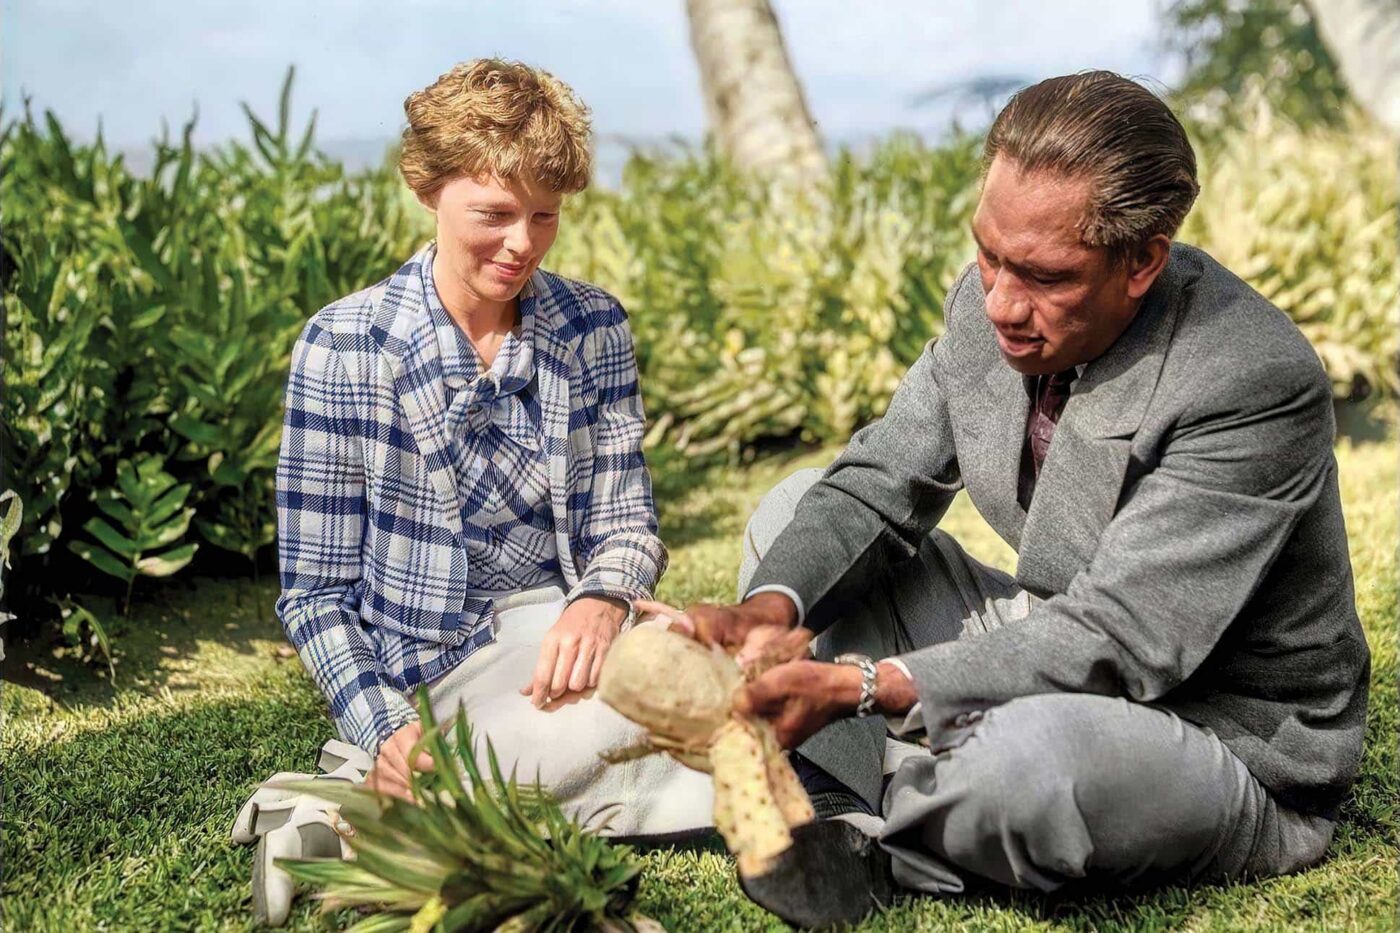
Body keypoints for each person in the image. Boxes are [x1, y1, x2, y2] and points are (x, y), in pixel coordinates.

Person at [685, 71, 1370, 928]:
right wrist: (770, 609)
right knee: (796, 509)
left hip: (1210, 727)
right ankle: (884, 788)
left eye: (1045, 275)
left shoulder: (1248, 377)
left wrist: (867, 685)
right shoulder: (988, 305)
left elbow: (1127, 636)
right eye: (988, 254)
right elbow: (879, 481)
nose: (1001, 302)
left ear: (1143, 260)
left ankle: (861, 805)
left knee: (1034, 765)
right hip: (1053, 632)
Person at [243, 59, 710, 927]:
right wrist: (386, 726)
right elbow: (314, 596)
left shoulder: (593, 326)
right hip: (432, 661)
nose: (523, 245)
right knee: (662, 730)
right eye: (494, 214)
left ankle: (368, 815)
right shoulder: (341, 348)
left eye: (545, 217)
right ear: (427, 190)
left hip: (567, 637)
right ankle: (378, 796)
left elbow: (626, 522)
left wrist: (605, 598)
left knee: (725, 686)